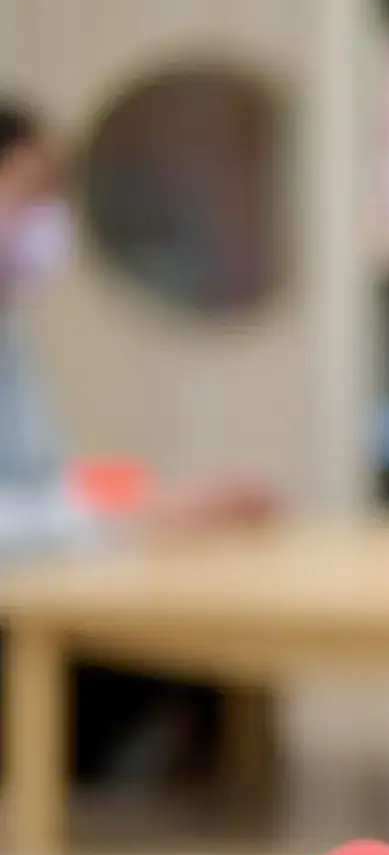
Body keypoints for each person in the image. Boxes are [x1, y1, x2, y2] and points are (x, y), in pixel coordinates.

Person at [0, 94, 275, 785]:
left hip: (36, 578)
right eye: (30, 193)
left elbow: (47, 477)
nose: (45, 224)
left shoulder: (11, 332)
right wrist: (125, 513)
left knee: (222, 654)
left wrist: (163, 494)